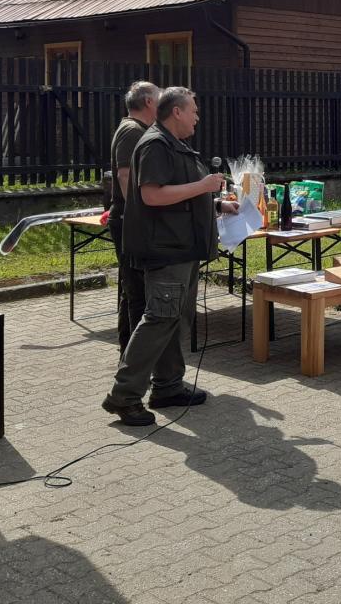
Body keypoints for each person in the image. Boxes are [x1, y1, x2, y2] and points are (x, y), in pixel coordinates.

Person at [102, 87, 238, 427]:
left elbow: (179, 193)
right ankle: (124, 395)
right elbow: (152, 195)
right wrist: (204, 187)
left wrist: (218, 204)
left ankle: (168, 386)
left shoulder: (175, 145)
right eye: (193, 110)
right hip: (166, 249)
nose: (197, 117)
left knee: (177, 318)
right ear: (176, 112)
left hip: (184, 248)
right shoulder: (155, 144)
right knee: (160, 318)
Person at [108, 81, 160, 352]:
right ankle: (135, 360)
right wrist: (142, 215)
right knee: (137, 292)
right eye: (159, 97)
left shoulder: (138, 129)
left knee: (131, 290)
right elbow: (125, 175)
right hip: (130, 221)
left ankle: (128, 355)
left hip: (130, 219)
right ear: (149, 102)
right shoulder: (131, 131)